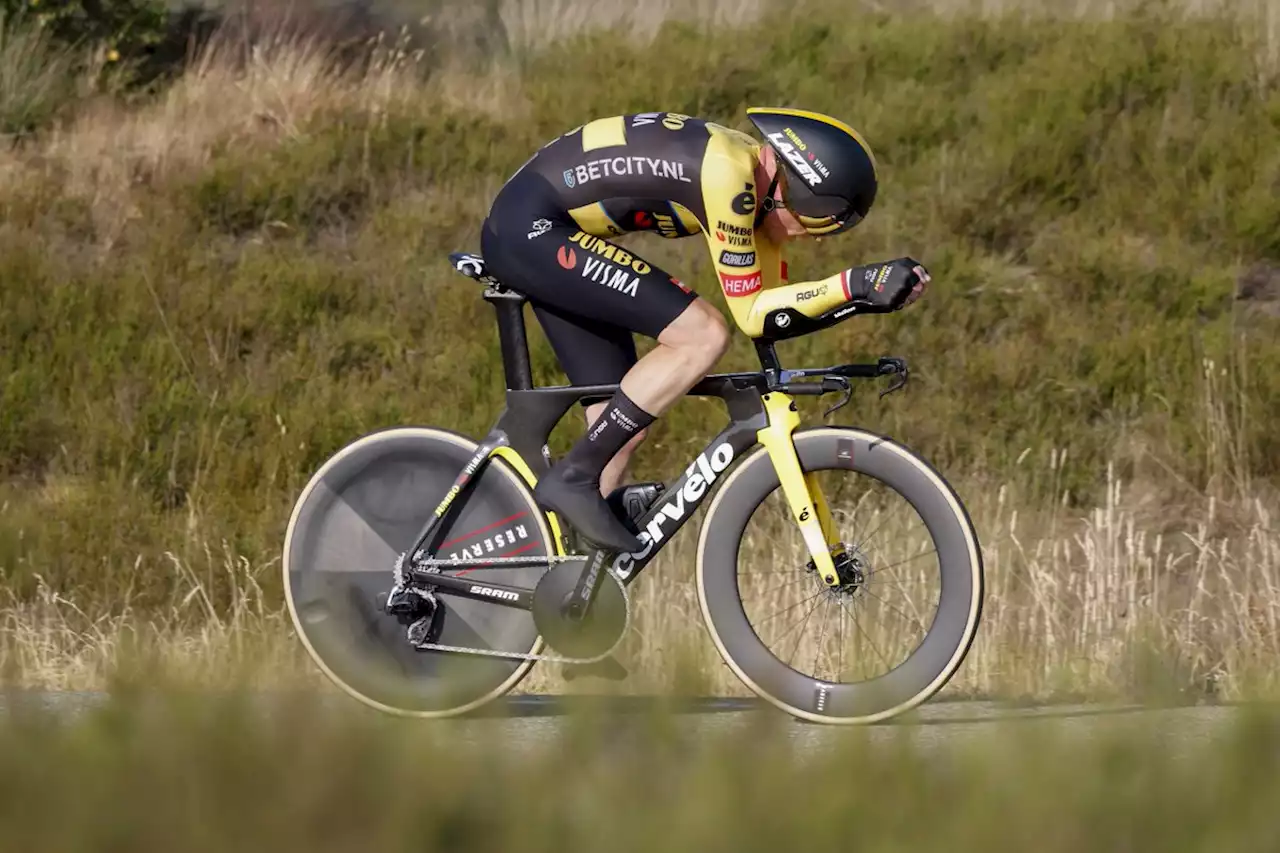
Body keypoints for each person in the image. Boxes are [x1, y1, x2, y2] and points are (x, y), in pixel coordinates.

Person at [478, 108, 930, 554]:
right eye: (814, 223)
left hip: (543, 228)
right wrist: (852, 284)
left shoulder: (760, 181)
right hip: (530, 230)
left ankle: (562, 576)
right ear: (796, 190)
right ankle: (572, 478)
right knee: (703, 333)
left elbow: (773, 318)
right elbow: (749, 316)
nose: (809, 238)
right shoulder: (730, 178)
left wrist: (864, 299)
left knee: (619, 425)